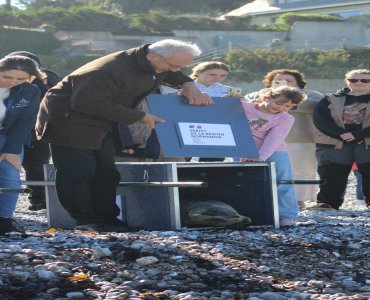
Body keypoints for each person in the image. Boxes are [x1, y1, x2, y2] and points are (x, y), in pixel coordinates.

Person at [35, 39, 213, 232]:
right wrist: (139, 116)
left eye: (182, 66)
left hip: (102, 121)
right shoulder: (107, 70)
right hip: (69, 120)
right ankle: (86, 220)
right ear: (153, 57)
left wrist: (187, 83)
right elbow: (85, 102)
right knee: (78, 172)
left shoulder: (152, 62)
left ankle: (108, 218)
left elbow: (170, 73)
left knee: (106, 172)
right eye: (174, 65)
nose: (177, 69)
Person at [311, 69, 370, 212]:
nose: (358, 82)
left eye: (364, 80)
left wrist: (360, 134)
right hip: (335, 141)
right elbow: (320, 120)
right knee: (331, 171)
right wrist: (341, 134)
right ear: (346, 81)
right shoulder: (330, 99)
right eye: (353, 80)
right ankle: (327, 203)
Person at [240, 86, 306, 227]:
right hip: (243, 151)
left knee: (282, 182)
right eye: (279, 103)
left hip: (275, 152)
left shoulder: (285, 118)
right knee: (245, 182)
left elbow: (274, 139)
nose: (281, 108)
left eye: (288, 106)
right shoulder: (244, 107)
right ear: (266, 97)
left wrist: (261, 157)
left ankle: (286, 216)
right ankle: (248, 214)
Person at [259, 69, 324, 208]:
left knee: (302, 170)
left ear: (298, 82)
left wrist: (285, 99)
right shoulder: (262, 94)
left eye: (289, 81)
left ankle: (298, 199)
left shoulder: (312, 94)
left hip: (302, 138)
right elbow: (250, 103)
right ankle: (271, 199)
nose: (285, 83)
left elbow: (317, 106)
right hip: (265, 139)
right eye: (279, 80)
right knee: (271, 170)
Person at [6, 51, 60, 211]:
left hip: (35, 131)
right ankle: (38, 201)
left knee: (35, 167)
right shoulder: (48, 82)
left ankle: (38, 201)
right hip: (33, 131)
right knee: (34, 167)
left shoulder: (45, 83)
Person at [0, 55, 45, 235]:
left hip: (9, 134)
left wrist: (11, 151)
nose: (13, 82)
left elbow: (24, 123)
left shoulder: (30, 91)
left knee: (10, 171)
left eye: (21, 79)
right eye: (7, 77)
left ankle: (5, 219)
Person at [189, 61, 233, 162]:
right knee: (186, 157)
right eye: (212, 74)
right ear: (198, 72)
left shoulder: (228, 90)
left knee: (214, 159)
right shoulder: (185, 87)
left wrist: (237, 101)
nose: (217, 78)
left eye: (223, 75)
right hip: (191, 126)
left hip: (216, 130)